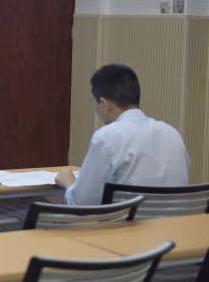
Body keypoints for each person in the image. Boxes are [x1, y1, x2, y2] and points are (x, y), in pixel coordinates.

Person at [55, 64, 190, 206]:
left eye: (93, 102)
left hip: (127, 220)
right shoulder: (172, 134)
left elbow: (81, 204)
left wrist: (68, 182)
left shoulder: (107, 137)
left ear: (104, 104)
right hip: (178, 220)